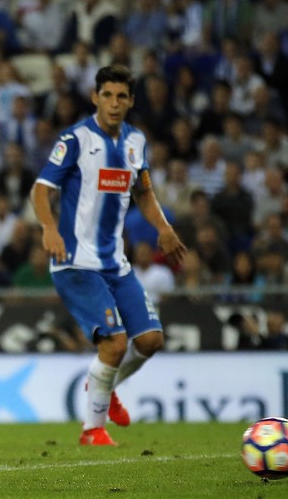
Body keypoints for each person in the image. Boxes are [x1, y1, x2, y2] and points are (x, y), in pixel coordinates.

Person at [30, 65, 186, 447]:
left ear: (131, 101)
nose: (114, 103)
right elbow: (40, 188)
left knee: (150, 341)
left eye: (121, 96)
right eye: (107, 95)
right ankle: (92, 430)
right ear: (95, 97)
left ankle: (105, 381)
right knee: (115, 344)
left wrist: (163, 228)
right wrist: (49, 228)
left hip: (115, 263)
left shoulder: (136, 142)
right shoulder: (77, 139)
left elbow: (144, 192)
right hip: (74, 262)